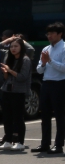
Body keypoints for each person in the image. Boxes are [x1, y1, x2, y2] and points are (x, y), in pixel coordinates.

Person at [34, 21, 65, 155]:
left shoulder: (64, 47)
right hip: (46, 83)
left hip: (60, 84)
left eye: (52, 33)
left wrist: (50, 61)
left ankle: (58, 145)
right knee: (45, 115)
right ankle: (45, 143)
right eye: (48, 33)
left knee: (60, 115)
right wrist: (44, 63)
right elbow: (39, 70)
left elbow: (64, 69)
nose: (49, 36)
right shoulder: (46, 49)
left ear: (60, 34)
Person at [0, 38, 32, 151]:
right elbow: (6, 78)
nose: (13, 48)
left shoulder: (25, 60)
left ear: (21, 47)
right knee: (7, 117)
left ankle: (20, 141)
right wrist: (5, 73)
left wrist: (10, 70)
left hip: (19, 91)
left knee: (18, 117)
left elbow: (23, 77)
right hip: (7, 90)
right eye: (11, 46)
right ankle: (8, 140)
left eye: (16, 46)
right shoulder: (9, 58)